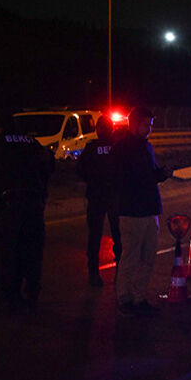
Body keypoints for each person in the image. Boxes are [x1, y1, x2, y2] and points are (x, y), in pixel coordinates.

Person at [0, 113, 54, 314]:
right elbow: (49, 166)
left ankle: (6, 300)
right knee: (32, 253)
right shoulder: (32, 143)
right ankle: (31, 297)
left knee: (5, 253)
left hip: (6, 207)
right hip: (34, 206)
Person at [112, 107, 172, 317]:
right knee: (130, 256)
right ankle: (124, 298)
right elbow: (121, 178)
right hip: (132, 210)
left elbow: (149, 176)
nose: (149, 129)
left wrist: (161, 174)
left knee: (148, 257)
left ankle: (139, 297)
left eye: (151, 125)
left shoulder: (147, 148)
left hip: (149, 209)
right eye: (146, 124)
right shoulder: (122, 149)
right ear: (134, 124)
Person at [77, 116, 122, 287]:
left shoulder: (91, 148)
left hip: (96, 196)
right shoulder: (118, 147)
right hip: (114, 195)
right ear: (111, 129)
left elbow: (80, 170)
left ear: (97, 129)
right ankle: (120, 272)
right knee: (117, 235)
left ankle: (94, 275)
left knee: (94, 237)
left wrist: (93, 180)